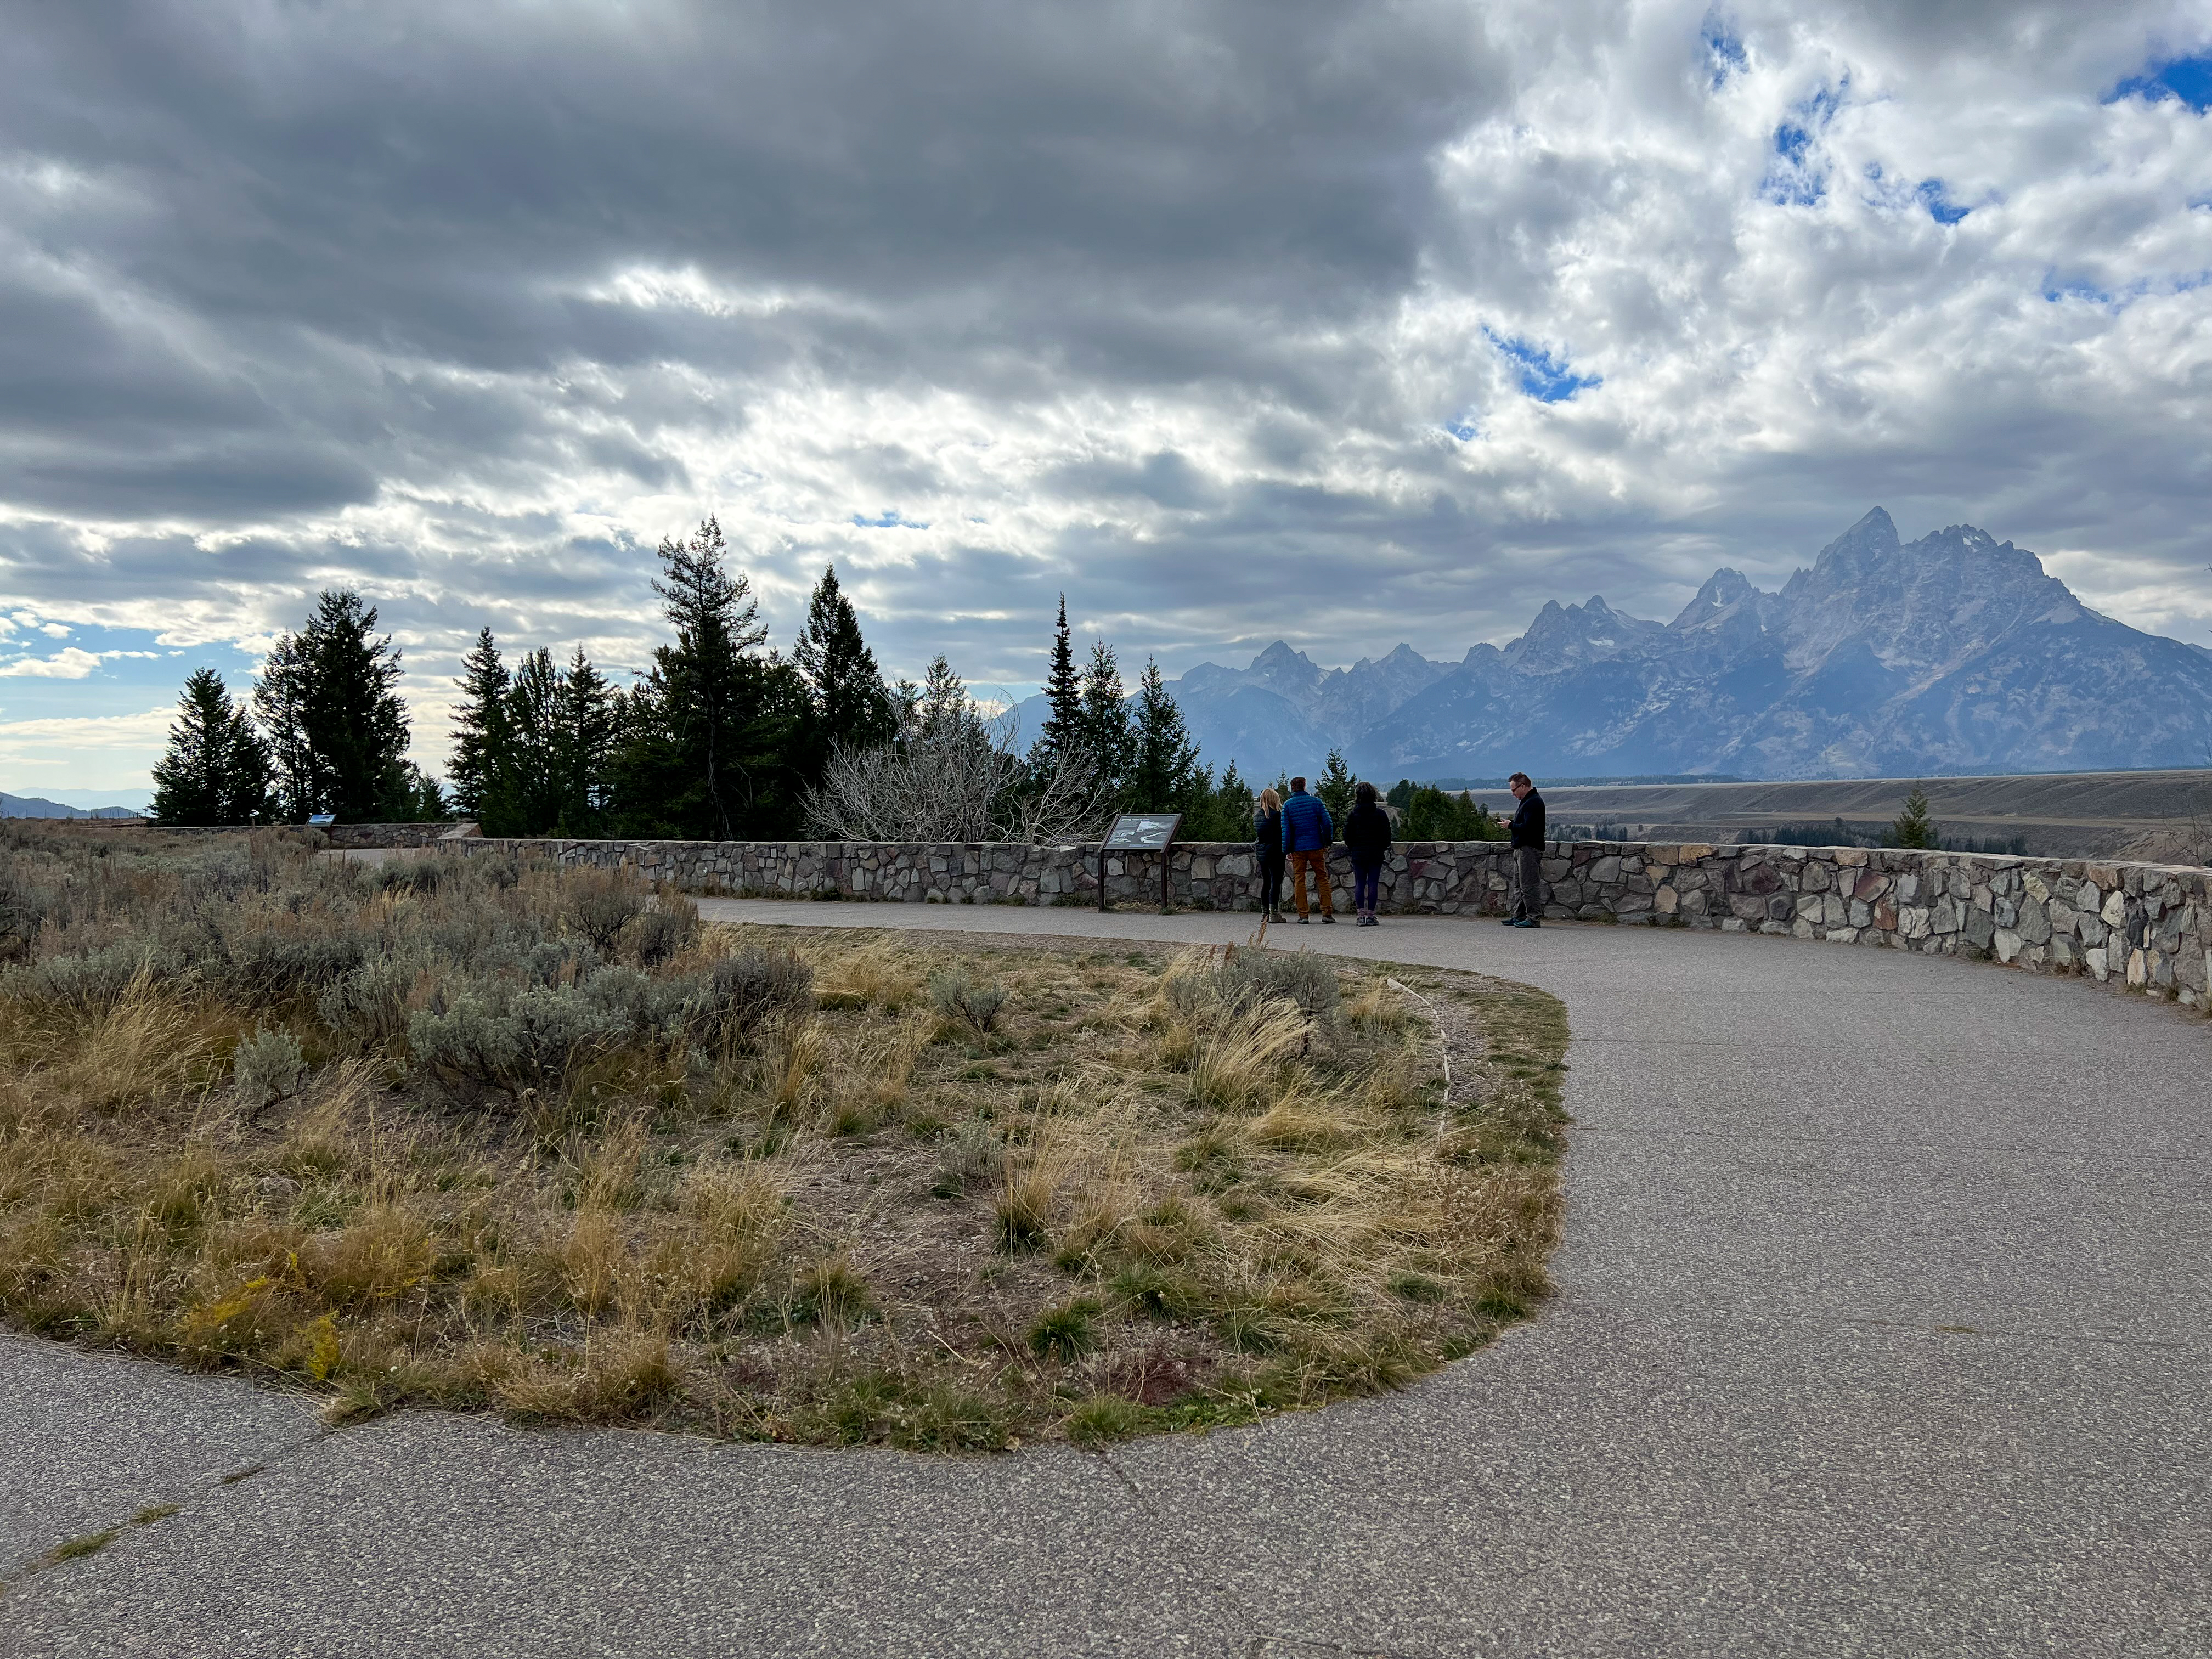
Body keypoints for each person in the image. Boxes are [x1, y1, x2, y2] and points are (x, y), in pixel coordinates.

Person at [1279, 774, 1335, 923]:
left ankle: (1303, 915)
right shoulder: (1316, 802)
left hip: (1298, 848)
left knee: (1299, 879)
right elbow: (1328, 823)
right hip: (1316, 846)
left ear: (1292, 788)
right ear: (1305, 786)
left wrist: (1287, 850)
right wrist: (1326, 842)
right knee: (1322, 878)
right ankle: (1327, 913)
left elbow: (1286, 830)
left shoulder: (1288, 805)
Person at [1342, 779, 1392, 926]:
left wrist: (1353, 847)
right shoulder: (1380, 814)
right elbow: (1387, 835)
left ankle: (1360, 916)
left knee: (1359, 883)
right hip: (1376, 853)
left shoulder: (1353, 814)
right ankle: (1371, 916)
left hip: (1358, 853)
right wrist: (1382, 847)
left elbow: (1347, 835)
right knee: (1372, 883)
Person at [1504, 771, 1546, 928]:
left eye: (1514, 790)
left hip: (1529, 849)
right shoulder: (1528, 801)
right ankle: (1519, 915)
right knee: (1519, 885)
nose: (1513, 794)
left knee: (1529, 885)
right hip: (1522, 848)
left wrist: (1511, 826)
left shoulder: (1533, 803)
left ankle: (1533, 918)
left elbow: (1529, 828)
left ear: (1523, 786)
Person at [1253, 788, 1287, 922]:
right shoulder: (1277, 816)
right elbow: (1282, 834)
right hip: (1276, 852)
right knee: (1276, 882)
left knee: (1266, 882)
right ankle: (1274, 914)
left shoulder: (1257, 817)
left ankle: (1265, 913)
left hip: (1262, 853)